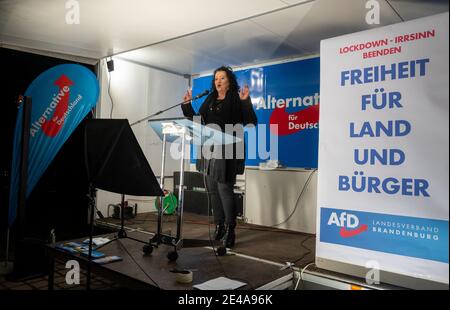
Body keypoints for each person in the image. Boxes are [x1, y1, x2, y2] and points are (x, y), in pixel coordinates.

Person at [181, 66, 257, 248]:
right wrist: (187, 105)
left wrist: (246, 102)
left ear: (229, 81)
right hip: (208, 149)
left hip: (228, 151)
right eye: (216, 79)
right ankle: (219, 225)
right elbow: (199, 122)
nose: (218, 81)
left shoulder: (236, 99)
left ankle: (231, 230)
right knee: (212, 190)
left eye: (222, 78)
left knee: (225, 190)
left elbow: (251, 121)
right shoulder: (210, 99)